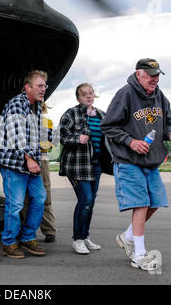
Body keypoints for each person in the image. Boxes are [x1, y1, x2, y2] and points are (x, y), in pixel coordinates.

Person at [101, 58, 171, 270]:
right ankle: (139, 254)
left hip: (151, 161)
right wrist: (131, 141)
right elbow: (108, 125)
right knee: (141, 203)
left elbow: (167, 123)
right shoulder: (125, 94)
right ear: (139, 74)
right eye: (151, 75)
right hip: (128, 160)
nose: (155, 79)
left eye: (157, 75)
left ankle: (127, 236)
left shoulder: (160, 97)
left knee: (156, 201)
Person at [0, 70, 48, 259]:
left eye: (44, 86)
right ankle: (8, 242)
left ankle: (27, 237)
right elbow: (17, 135)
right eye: (39, 85)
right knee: (15, 204)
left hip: (30, 160)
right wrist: (30, 159)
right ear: (28, 87)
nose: (43, 89)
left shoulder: (36, 106)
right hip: (14, 162)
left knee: (39, 198)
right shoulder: (17, 103)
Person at [59, 83, 109, 254]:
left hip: (96, 165)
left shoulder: (102, 115)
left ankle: (85, 236)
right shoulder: (71, 113)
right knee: (86, 199)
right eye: (84, 94)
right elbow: (63, 135)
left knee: (91, 202)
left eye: (91, 93)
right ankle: (77, 239)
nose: (88, 96)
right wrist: (76, 138)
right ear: (78, 97)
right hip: (77, 165)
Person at [20, 102, 57, 243]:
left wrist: (35, 145)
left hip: (41, 159)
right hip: (25, 159)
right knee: (25, 197)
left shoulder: (46, 122)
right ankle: (25, 229)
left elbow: (49, 143)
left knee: (45, 196)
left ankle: (49, 230)